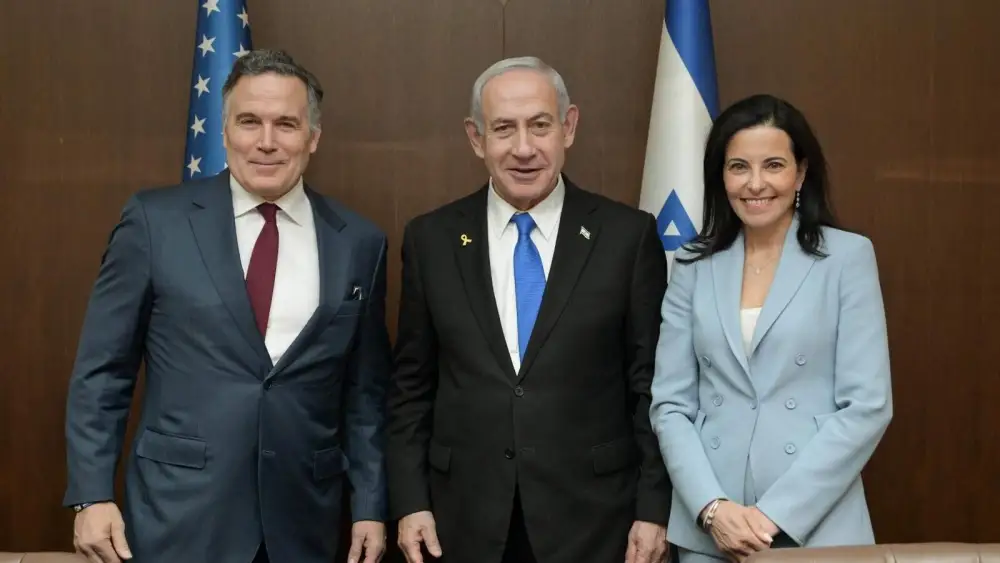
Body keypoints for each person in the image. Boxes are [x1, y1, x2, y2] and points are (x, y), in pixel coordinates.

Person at [63, 49, 391, 563]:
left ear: (313, 137)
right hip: (179, 516)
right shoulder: (155, 222)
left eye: (286, 123)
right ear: (224, 131)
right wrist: (91, 493)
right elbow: (103, 372)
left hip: (305, 520)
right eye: (249, 121)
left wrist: (370, 505)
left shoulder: (359, 242)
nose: (266, 141)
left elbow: (364, 393)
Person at [386, 56, 672, 563]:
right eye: (503, 129)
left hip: (597, 521)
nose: (523, 148)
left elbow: (649, 386)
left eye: (540, 125)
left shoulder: (627, 236)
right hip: (462, 520)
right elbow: (412, 387)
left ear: (568, 127)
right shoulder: (431, 239)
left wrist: (653, 508)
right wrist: (410, 502)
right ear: (476, 139)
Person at [649, 94, 893, 562]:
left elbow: (868, 405)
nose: (755, 183)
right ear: (721, 176)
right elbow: (671, 404)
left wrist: (774, 514)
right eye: (738, 166)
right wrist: (712, 509)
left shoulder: (847, 258)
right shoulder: (692, 265)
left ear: (800, 173)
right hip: (710, 531)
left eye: (773, 165)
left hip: (816, 526)